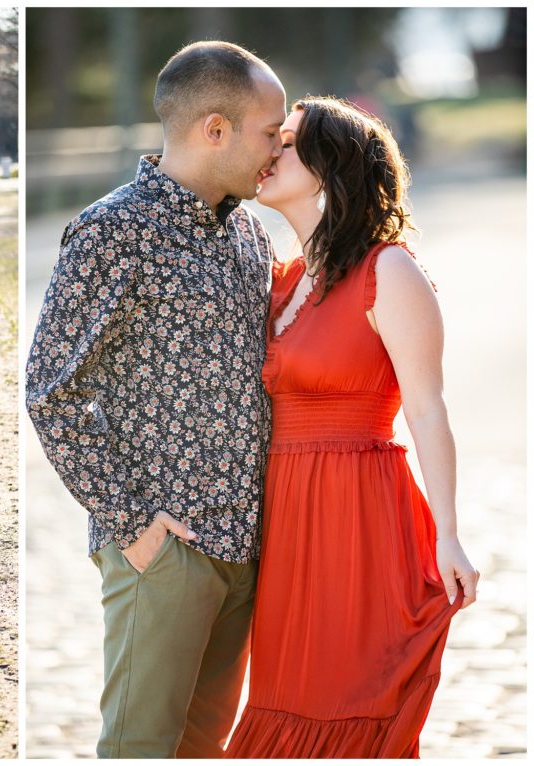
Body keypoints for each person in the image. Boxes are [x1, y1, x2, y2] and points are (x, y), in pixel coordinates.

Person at [26, 41, 286, 758]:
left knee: (202, 750)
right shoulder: (113, 231)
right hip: (164, 550)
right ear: (214, 129)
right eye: (270, 133)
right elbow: (51, 391)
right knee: (140, 748)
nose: (277, 148)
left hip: (244, 545)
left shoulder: (249, 232)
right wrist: (135, 526)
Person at [224, 97, 478, 758]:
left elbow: (427, 409)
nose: (267, 154)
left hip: (359, 518)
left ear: (329, 165)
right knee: (283, 698)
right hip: (286, 523)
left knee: (344, 702)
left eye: (285, 142)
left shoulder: (387, 272)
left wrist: (448, 536)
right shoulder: (281, 281)